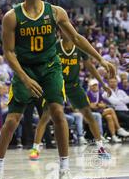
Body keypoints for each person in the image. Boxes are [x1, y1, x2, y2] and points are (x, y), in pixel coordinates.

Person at [0, 0, 115, 179]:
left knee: (57, 112)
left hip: (50, 68)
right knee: (11, 122)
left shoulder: (56, 12)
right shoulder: (11, 16)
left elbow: (76, 38)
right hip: (25, 69)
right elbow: (8, 52)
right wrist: (25, 79)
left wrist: (101, 60)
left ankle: (64, 170)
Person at [29, 33, 112, 161]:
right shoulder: (55, 47)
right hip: (56, 84)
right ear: (60, 33)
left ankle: (101, 148)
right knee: (46, 115)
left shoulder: (79, 46)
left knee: (89, 115)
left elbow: (89, 66)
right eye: (63, 30)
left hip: (73, 85)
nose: (66, 32)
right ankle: (35, 148)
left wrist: (102, 84)